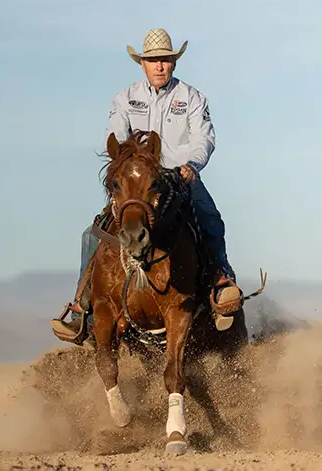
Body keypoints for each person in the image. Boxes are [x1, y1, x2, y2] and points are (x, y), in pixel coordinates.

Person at [51, 28, 241, 341]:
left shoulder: (192, 98)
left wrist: (192, 165)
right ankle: (82, 310)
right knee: (93, 234)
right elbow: (115, 136)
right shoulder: (125, 98)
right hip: (137, 182)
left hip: (179, 176)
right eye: (153, 61)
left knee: (209, 218)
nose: (159, 66)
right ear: (142, 64)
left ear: (174, 62)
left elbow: (204, 137)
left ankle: (221, 282)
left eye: (165, 60)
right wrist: (128, 163)